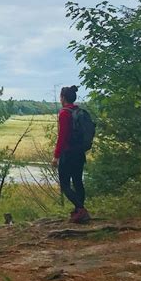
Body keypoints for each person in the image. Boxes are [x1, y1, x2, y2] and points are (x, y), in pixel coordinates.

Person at [52, 85, 90, 223]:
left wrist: (56, 156)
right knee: (78, 182)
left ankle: (80, 209)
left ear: (63, 98)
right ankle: (78, 211)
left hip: (68, 154)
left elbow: (62, 137)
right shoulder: (78, 111)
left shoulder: (64, 113)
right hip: (79, 153)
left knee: (65, 185)